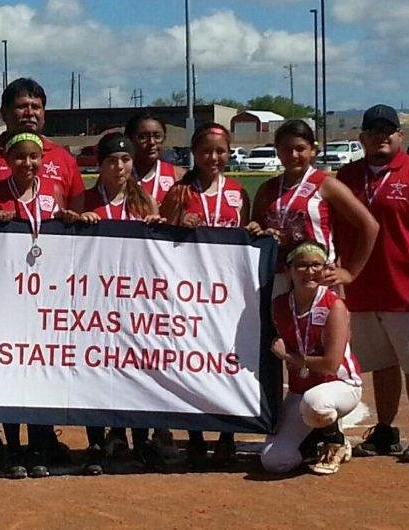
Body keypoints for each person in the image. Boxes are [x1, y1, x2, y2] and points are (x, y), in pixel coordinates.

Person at [336, 104, 409, 461]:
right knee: (382, 363)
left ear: (400, 135)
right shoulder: (348, 176)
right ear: (362, 138)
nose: (381, 137)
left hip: (408, 288)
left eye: (388, 131)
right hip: (364, 289)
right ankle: (386, 430)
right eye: (374, 131)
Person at [0, 132, 78, 479]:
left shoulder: (53, 190)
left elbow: (63, 228)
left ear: (42, 160)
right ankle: (12, 446)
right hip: (6, 294)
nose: (27, 163)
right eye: (20, 157)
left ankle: (39, 443)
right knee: (9, 370)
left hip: (44, 295)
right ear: (8, 160)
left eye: (34, 157)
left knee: (39, 369)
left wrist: (69, 219)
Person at [160, 122, 251, 468]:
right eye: (206, 151)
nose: (213, 157)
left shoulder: (238, 192)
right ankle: (195, 436)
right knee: (192, 362)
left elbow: (247, 237)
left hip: (229, 294)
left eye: (220, 151)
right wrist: (178, 224)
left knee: (227, 361)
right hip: (190, 293)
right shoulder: (180, 192)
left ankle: (227, 436)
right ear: (195, 154)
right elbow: (160, 241)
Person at [77, 132, 162, 475]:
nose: (119, 167)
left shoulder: (144, 202)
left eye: (125, 160)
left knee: (135, 366)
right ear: (100, 165)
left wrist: (158, 227)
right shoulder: (84, 199)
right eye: (112, 160)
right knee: (94, 368)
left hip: (134, 300)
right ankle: (98, 441)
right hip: (94, 300)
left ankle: (140, 439)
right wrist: (75, 221)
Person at [261, 241, 363, 475]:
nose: (310, 272)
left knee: (316, 403)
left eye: (316, 265)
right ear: (288, 270)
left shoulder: (333, 305)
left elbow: (331, 364)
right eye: (302, 265)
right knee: (274, 461)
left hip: (340, 385)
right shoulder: (279, 305)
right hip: (300, 390)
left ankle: (335, 441)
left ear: (325, 269)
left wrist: (289, 357)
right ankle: (313, 440)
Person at [251, 119, 379, 295]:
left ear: (312, 150)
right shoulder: (267, 189)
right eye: (286, 149)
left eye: (300, 149)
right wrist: (258, 230)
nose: (293, 155)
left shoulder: (327, 185)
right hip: (278, 278)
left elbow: (370, 226)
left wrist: (350, 272)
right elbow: (256, 229)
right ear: (278, 151)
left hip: (318, 278)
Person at [0, 77, 85, 211]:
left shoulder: (64, 159)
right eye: (21, 107)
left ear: (44, 113)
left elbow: (79, 212)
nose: (29, 113)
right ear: (4, 113)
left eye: (36, 107)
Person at [125, 112, 185, 204]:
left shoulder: (178, 176)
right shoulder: (119, 175)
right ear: (129, 139)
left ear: (164, 138)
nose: (151, 142)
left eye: (157, 136)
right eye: (143, 137)